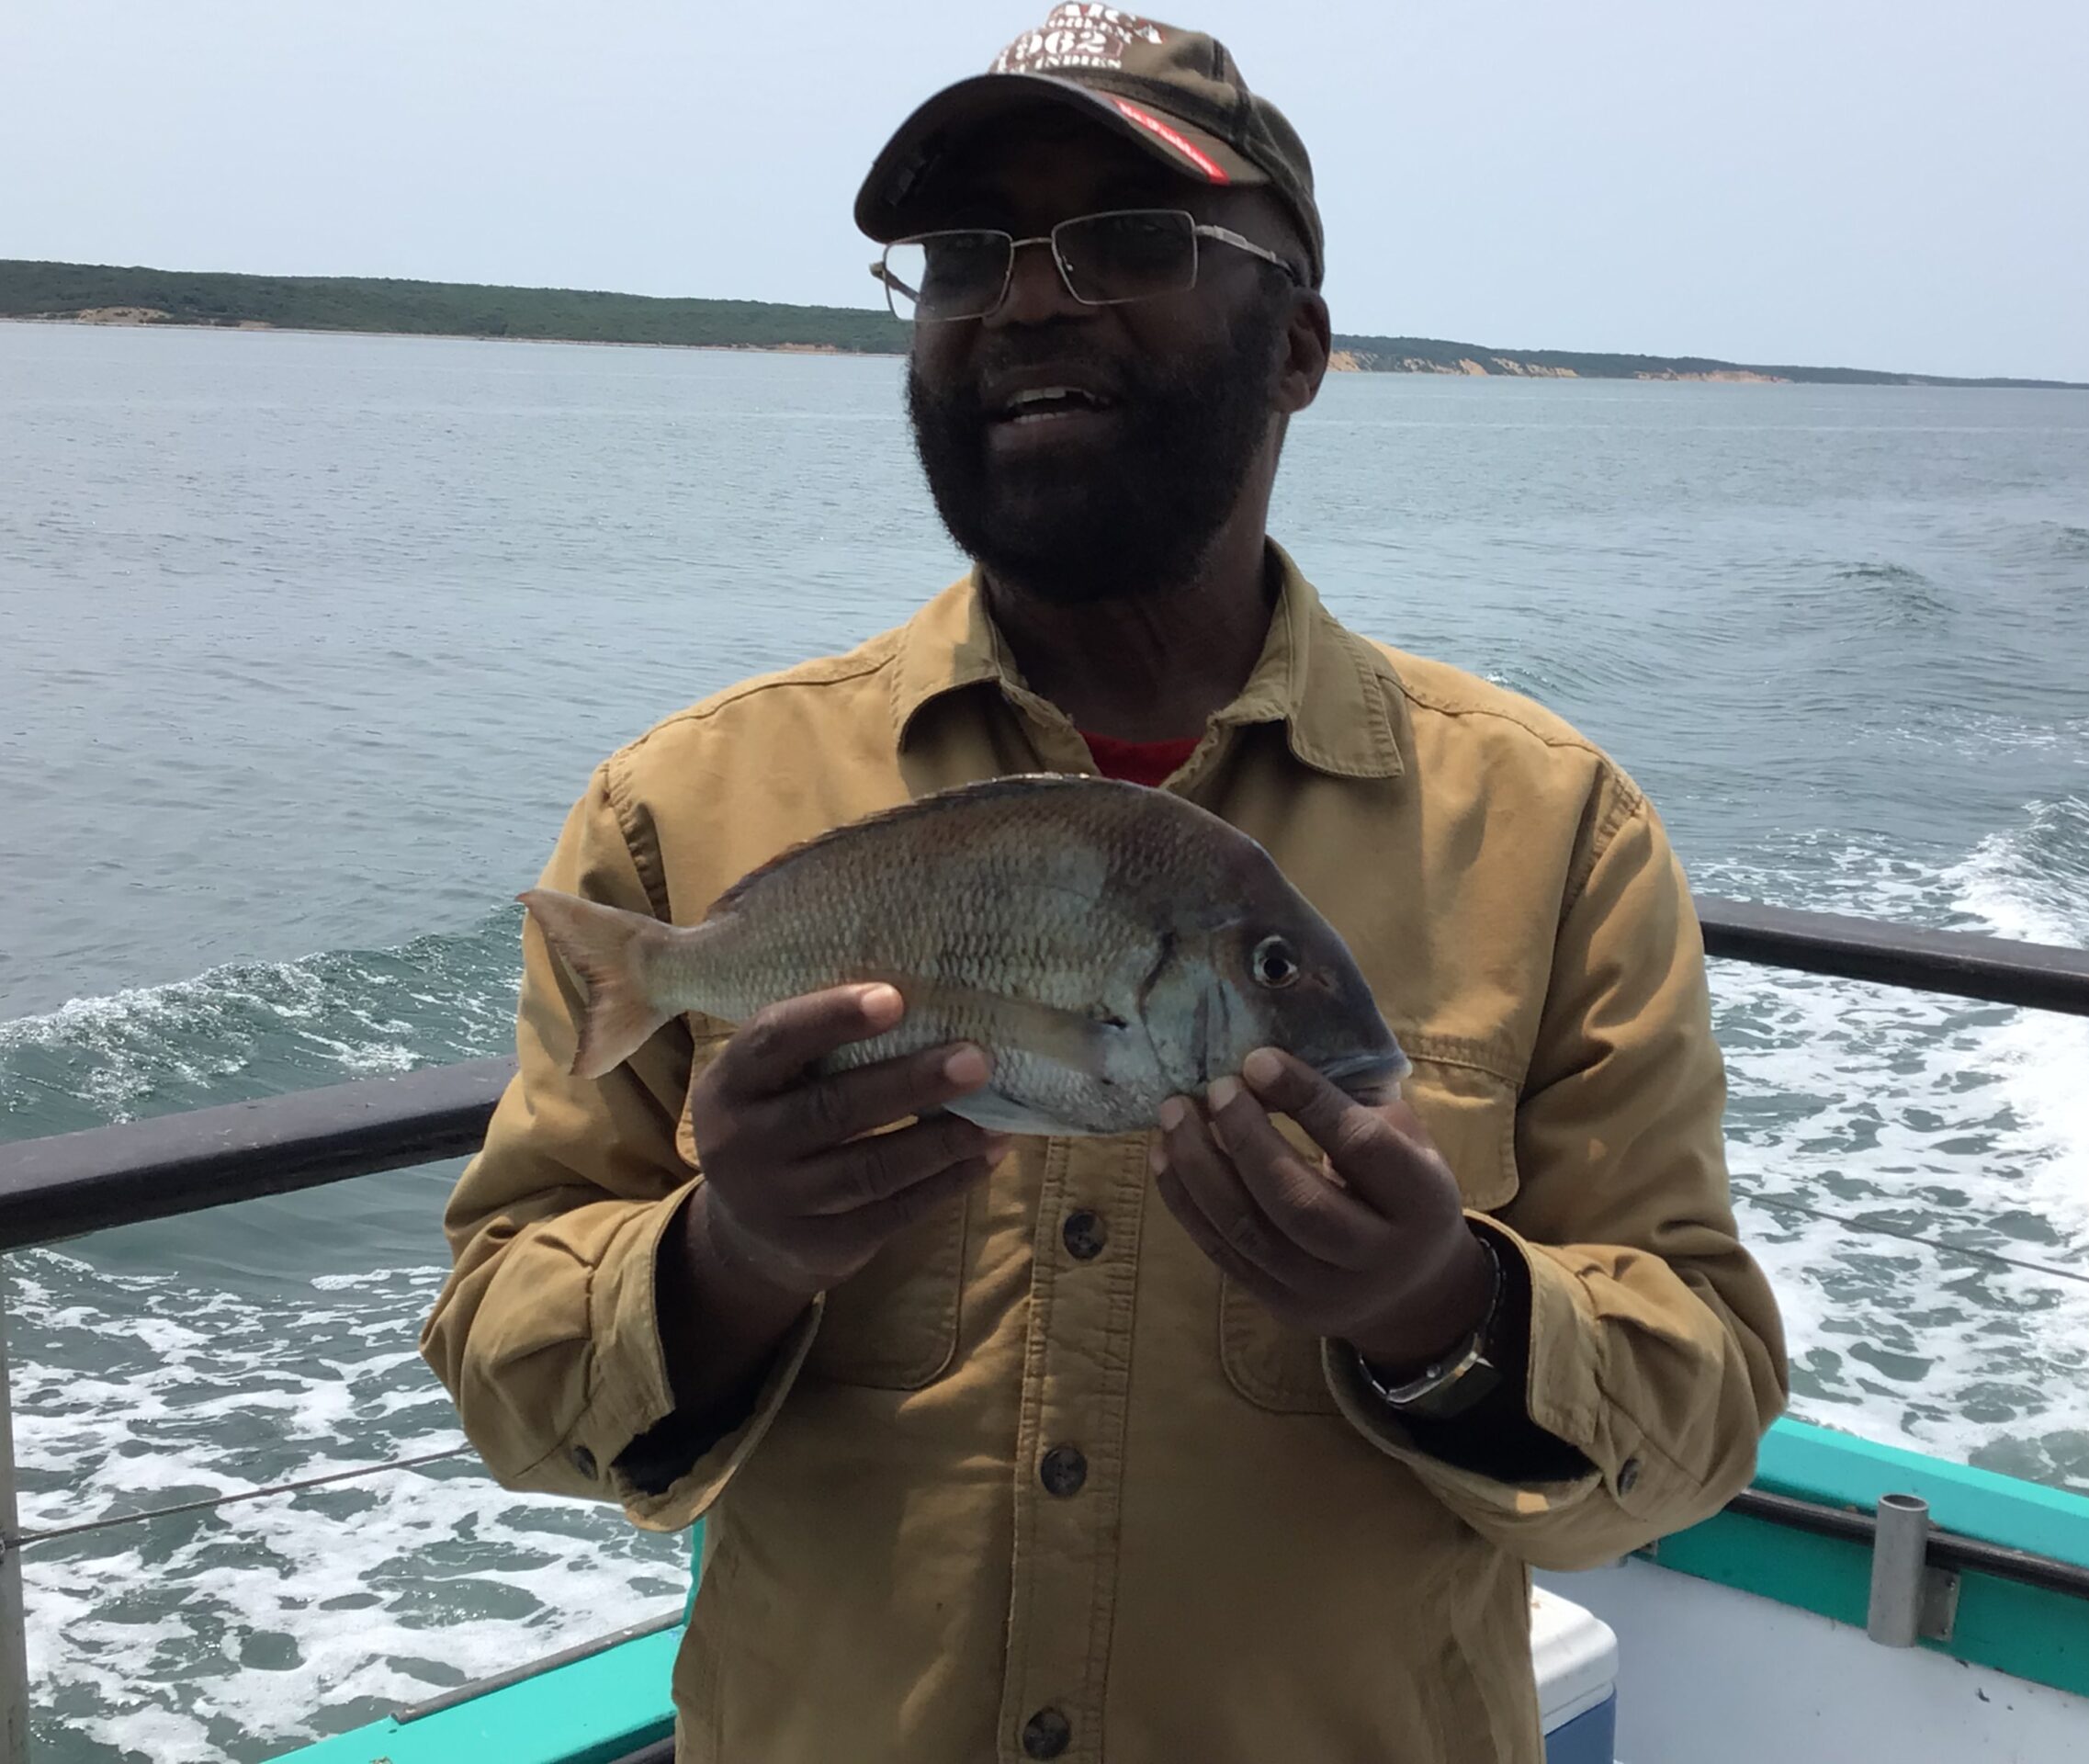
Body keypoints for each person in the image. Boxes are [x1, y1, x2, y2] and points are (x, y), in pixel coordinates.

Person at [421, 8, 1788, 1759]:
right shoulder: (677, 811)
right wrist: (732, 1255)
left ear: (1297, 343)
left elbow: (1706, 1406)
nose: (1028, 298)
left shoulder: (1554, 830)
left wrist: (1439, 1310)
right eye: (967, 253)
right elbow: (502, 1376)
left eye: (1130, 238)